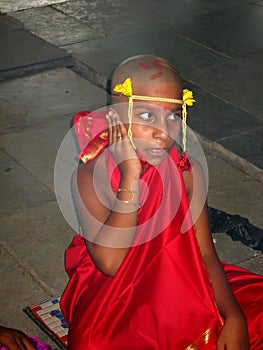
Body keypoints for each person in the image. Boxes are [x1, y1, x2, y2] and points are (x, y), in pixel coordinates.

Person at [60, 55, 263, 349]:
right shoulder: (91, 173)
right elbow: (110, 264)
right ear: (117, 116)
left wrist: (234, 316)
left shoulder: (186, 170)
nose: (163, 131)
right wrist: (130, 175)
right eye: (146, 116)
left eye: (173, 116)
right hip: (115, 293)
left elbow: (205, 253)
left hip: (177, 276)